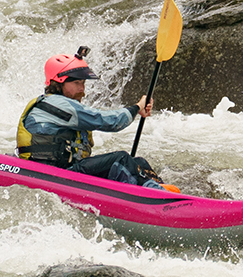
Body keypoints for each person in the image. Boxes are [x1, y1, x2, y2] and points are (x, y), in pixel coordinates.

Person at [17, 51, 159, 186]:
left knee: (139, 162)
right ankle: (159, 198)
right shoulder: (58, 104)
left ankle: (167, 194)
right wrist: (136, 108)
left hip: (66, 170)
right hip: (52, 173)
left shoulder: (64, 104)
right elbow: (112, 122)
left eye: (83, 83)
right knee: (120, 158)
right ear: (59, 82)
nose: (82, 90)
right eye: (77, 83)